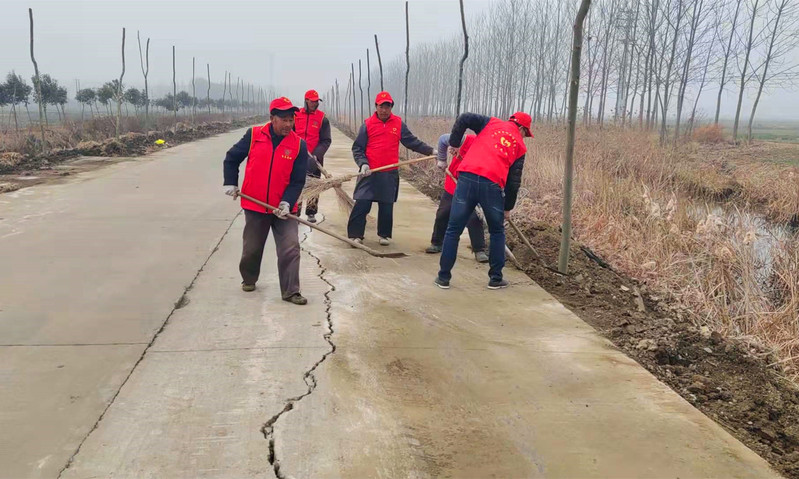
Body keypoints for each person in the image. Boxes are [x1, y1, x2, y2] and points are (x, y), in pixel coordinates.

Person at [223, 97, 309, 305]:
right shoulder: (254, 135)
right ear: (272, 118)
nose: (288, 124)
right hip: (255, 204)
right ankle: (249, 278)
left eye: (291, 120)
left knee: (290, 247)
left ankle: (291, 291)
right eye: (284, 120)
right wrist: (230, 182)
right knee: (252, 248)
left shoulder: (299, 145)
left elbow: (297, 181)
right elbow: (232, 158)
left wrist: (287, 202)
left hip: (284, 209)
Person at [435, 111, 533, 290]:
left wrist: (454, 143)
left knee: (453, 230)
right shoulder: (520, 147)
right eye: (525, 133)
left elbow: (464, 118)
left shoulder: (490, 123)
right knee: (497, 231)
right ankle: (495, 279)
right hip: (492, 185)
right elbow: (513, 182)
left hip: (466, 179)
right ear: (521, 128)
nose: (524, 137)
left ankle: (443, 277)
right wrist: (507, 208)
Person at [347, 91, 436, 245]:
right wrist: (363, 163)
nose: (384, 110)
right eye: (381, 106)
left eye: (387, 107)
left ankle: (384, 235)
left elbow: (412, 142)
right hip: (369, 172)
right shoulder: (367, 124)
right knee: (362, 202)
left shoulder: (398, 124)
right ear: (376, 106)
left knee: (386, 204)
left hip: (389, 173)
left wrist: (431, 151)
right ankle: (356, 235)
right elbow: (357, 148)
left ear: (391, 107)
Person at [425, 133, 488, 263]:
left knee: (474, 217)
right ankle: (437, 243)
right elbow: (443, 139)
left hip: (471, 187)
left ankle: (479, 249)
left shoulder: (489, 151)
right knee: (443, 213)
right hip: (453, 183)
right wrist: (442, 160)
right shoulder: (466, 140)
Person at [294, 89, 331, 223]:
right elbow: (290, 134)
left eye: (316, 101)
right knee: (296, 184)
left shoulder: (322, 119)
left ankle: (311, 212)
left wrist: (316, 155)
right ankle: (295, 212)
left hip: (314, 158)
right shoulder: (296, 115)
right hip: (297, 157)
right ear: (306, 100)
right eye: (312, 101)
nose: (315, 103)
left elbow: (326, 140)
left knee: (314, 185)